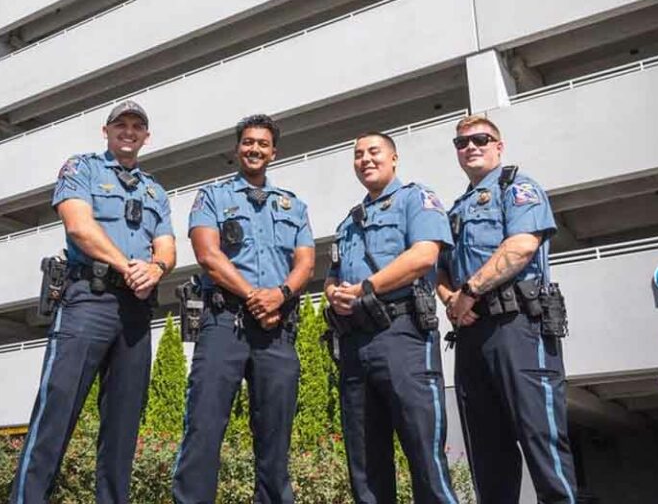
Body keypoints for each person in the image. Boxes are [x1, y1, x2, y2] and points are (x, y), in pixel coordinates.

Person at [10, 100, 176, 504]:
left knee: (123, 428)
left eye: (138, 126)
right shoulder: (81, 168)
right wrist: (127, 265)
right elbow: (79, 227)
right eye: (121, 124)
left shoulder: (156, 190)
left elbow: (167, 248)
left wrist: (155, 270)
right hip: (88, 300)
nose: (129, 131)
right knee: (56, 413)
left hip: (135, 311)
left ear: (146, 137)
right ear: (107, 131)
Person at [172, 114, 315, 504]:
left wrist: (281, 294)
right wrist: (256, 295)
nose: (254, 148)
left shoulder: (294, 206)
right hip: (225, 323)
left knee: (275, 434)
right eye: (248, 142)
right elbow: (208, 254)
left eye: (262, 144)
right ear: (237, 148)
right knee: (204, 426)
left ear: (274, 152)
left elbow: (306, 262)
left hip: (276, 328)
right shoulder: (213, 197)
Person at [437, 114, 577, 504]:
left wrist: (467, 290)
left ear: (499, 146)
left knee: (541, 435)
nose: (471, 147)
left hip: (519, 325)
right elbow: (439, 269)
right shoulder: (455, 209)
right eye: (461, 143)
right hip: (471, 332)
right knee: (486, 448)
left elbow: (521, 247)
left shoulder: (517, 187)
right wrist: (452, 300)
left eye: (480, 139)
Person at [323, 132, 458, 504]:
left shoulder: (416, 198)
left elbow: (424, 257)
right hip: (355, 343)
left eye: (374, 152)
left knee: (424, 454)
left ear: (394, 158)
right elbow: (333, 276)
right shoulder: (348, 222)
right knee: (365, 464)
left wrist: (366, 287)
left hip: (403, 336)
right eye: (358, 154)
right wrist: (333, 293)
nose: (365, 159)